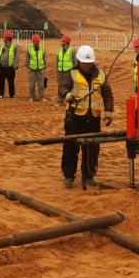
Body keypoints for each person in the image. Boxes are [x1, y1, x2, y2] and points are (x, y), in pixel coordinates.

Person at [58, 45, 113, 188]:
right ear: (79, 61)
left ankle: (88, 176)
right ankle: (69, 176)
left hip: (93, 119)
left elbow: (107, 94)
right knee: (70, 148)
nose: (87, 66)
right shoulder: (72, 73)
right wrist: (66, 94)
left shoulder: (100, 74)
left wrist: (108, 111)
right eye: (84, 63)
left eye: (89, 63)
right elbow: (62, 87)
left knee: (92, 149)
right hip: (74, 118)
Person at [0, 30, 19, 99]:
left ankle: (12, 94)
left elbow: (17, 56)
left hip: (10, 67)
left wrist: (15, 65)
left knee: (11, 82)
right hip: (1, 67)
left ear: (8, 38)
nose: (3, 38)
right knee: (1, 81)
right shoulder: (2, 47)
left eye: (4, 37)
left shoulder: (15, 47)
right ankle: (1, 94)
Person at [55, 35, 76, 106]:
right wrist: (57, 70)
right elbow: (57, 61)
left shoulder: (72, 51)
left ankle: (70, 101)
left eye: (62, 41)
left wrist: (73, 72)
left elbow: (75, 62)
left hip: (69, 72)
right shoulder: (59, 51)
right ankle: (60, 102)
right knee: (60, 87)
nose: (60, 42)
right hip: (60, 72)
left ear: (66, 42)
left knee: (69, 87)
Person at [26, 35, 47, 102]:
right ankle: (32, 97)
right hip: (32, 70)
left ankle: (42, 97)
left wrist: (44, 68)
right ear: (33, 42)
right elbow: (27, 60)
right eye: (35, 42)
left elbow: (44, 59)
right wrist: (28, 69)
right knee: (32, 85)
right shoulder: (29, 49)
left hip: (40, 70)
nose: (37, 43)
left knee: (41, 85)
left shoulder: (42, 49)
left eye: (38, 41)